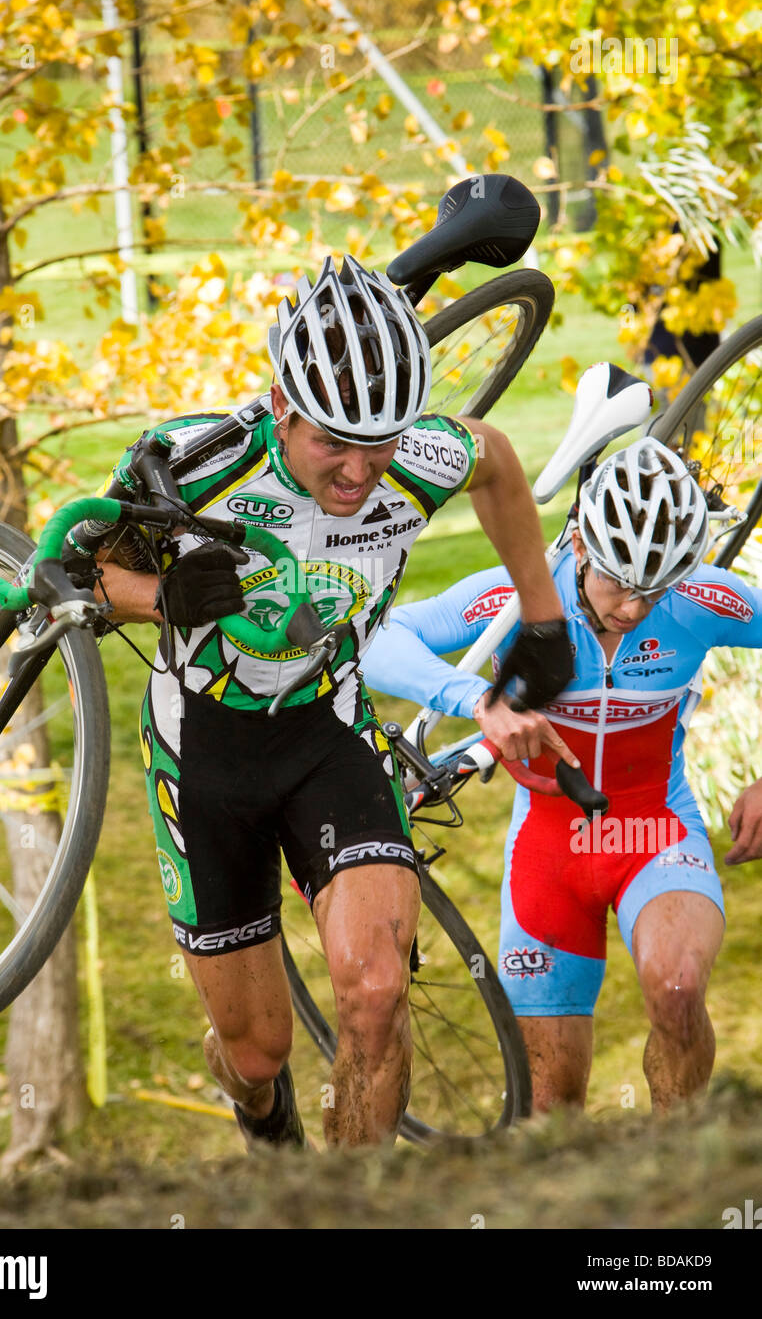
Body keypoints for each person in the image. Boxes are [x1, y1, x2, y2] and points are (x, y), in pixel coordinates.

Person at [92, 254, 574, 1148]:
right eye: (333, 444)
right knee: (258, 1050)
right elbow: (77, 573)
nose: (359, 473)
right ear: (283, 407)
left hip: (331, 730)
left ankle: (354, 1211)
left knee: (377, 991)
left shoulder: (415, 459)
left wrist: (544, 620)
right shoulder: (199, 467)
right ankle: (259, 1110)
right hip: (204, 753)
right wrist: (157, 598)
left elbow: (497, 462)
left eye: (379, 442)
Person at [363, 436, 762, 1114]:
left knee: (678, 988)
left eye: (654, 588)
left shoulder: (701, 600)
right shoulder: (515, 598)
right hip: (549, 851)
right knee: (550, 1106)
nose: (634, 608)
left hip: (653, 832)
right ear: (580, 545)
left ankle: (686, 1178)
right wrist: (478, 703)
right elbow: (381, 641)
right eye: (619, 581)